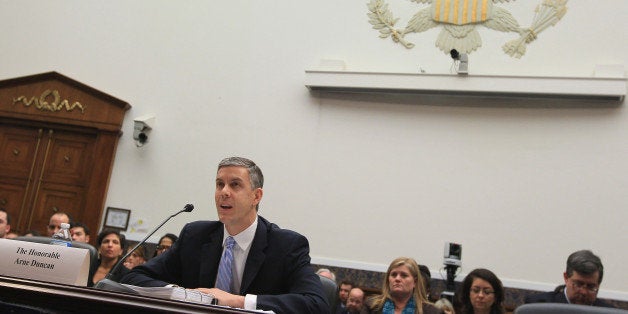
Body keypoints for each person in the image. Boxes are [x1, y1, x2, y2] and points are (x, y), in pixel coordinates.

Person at [121, 156, 328, 313]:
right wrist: (181, 294)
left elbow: (316, 304)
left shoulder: (286, 245)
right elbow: (134, 277)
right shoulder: (195, 235)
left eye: (235, 184)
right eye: (220, 184)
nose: (224, 192)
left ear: (256, 196)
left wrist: (237, 301)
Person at [524, 250, 613, 307]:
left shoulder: (609, 312)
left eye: (590, 287)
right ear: (566, 278)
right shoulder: (537, 306)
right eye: (578, 284)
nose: (583, 292)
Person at [366, 257, 441, 314]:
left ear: (415, 282)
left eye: (404, 275)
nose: (397, 279)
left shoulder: (430, 311)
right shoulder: (371, 306)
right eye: (394, 275)